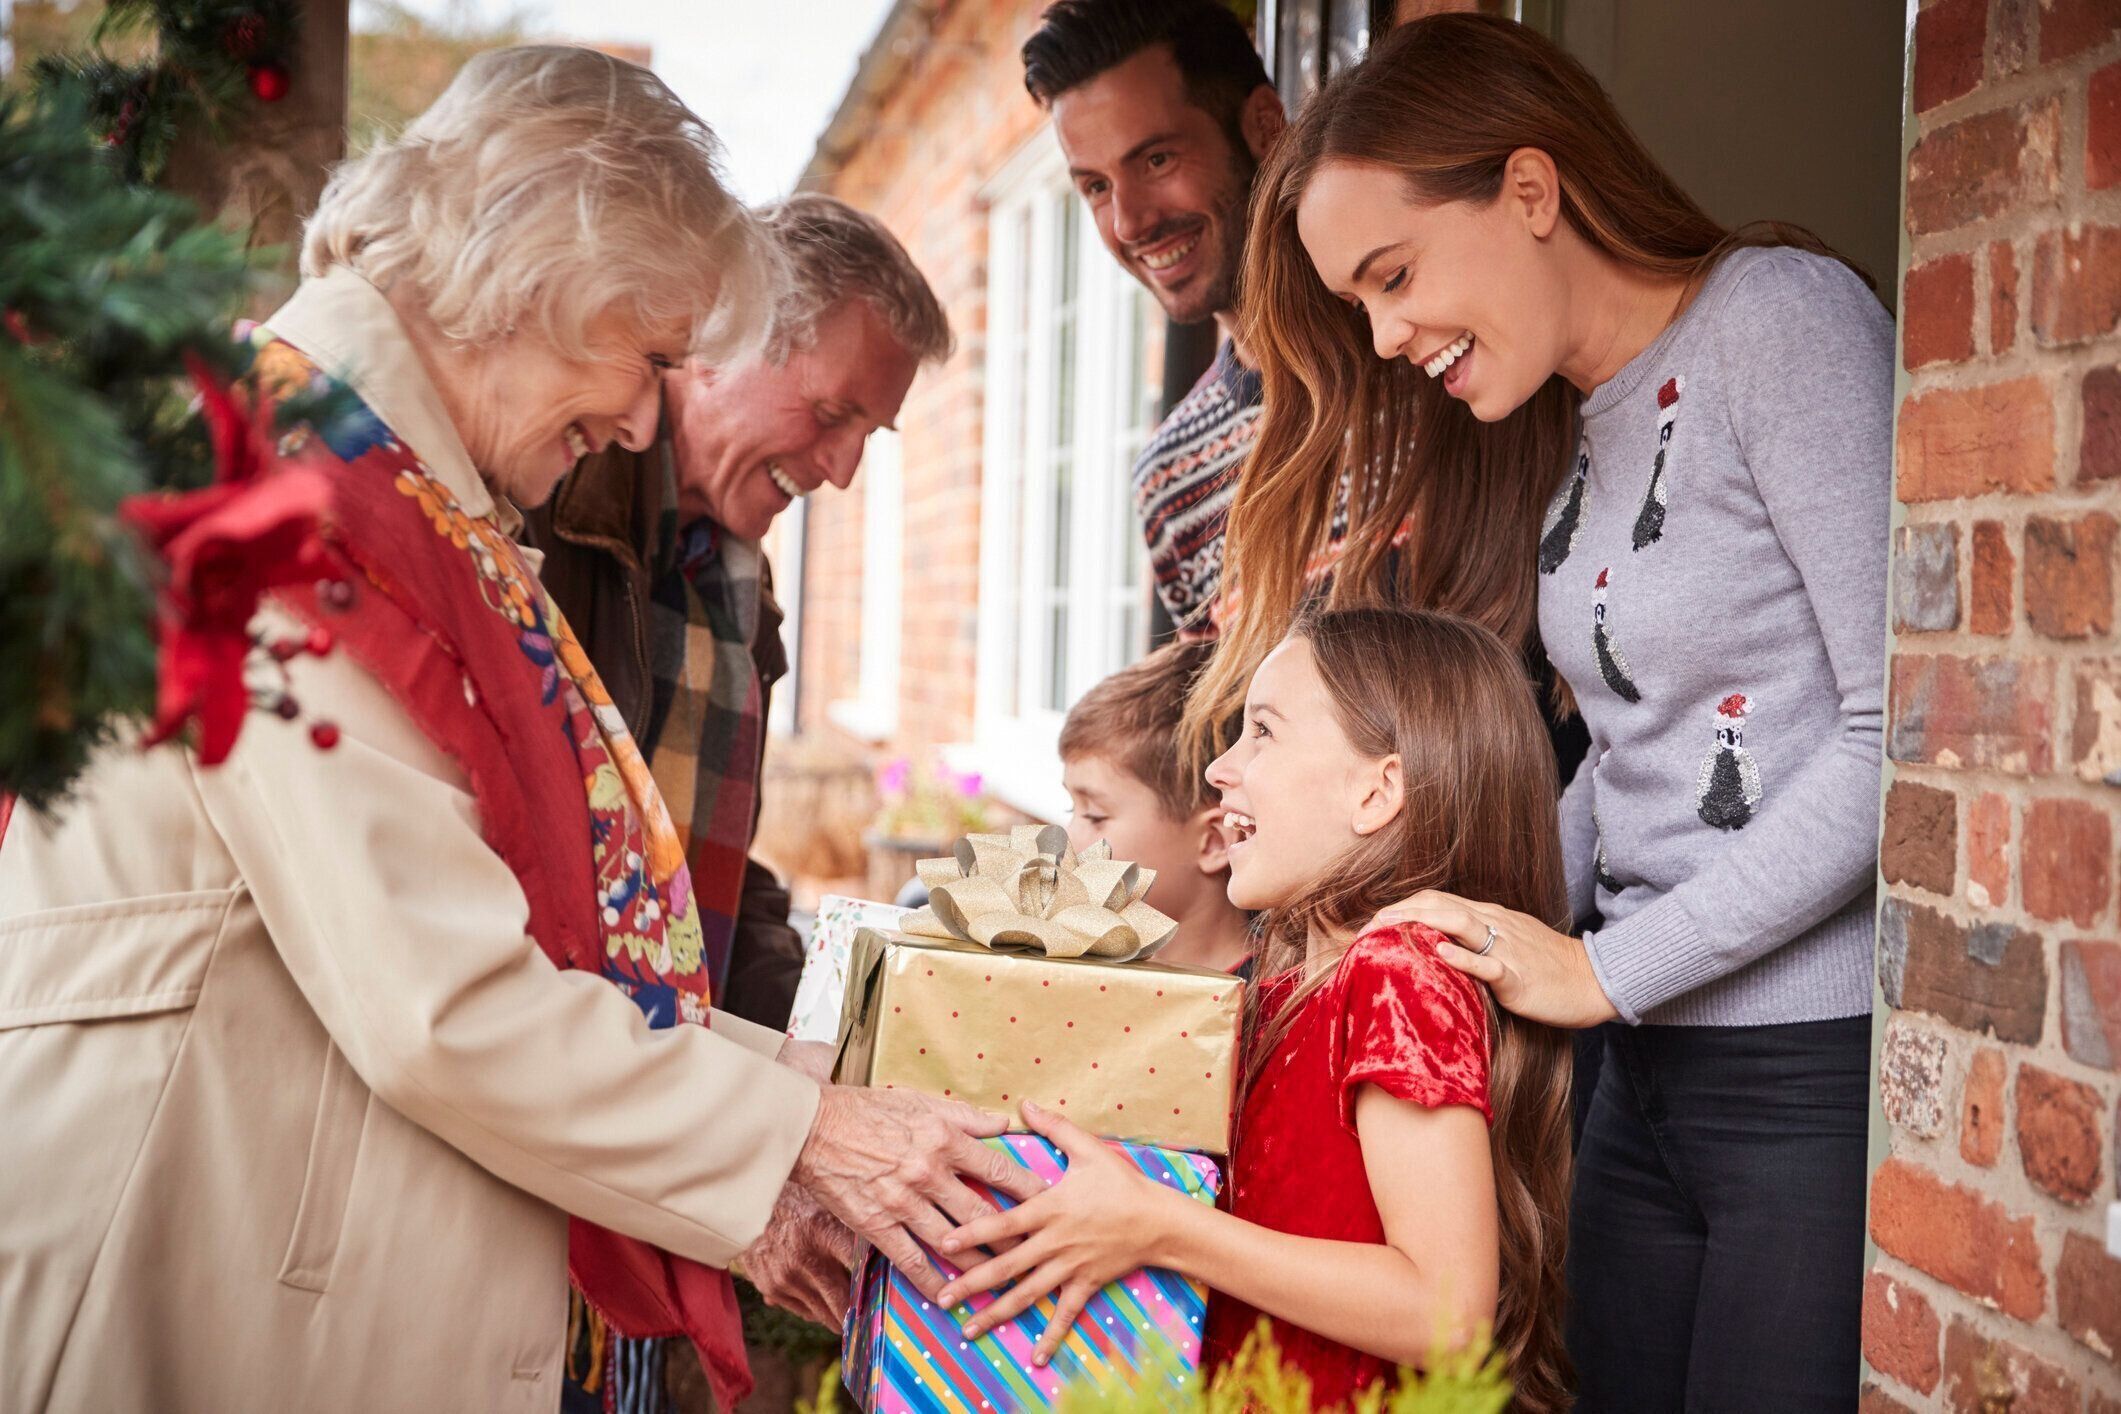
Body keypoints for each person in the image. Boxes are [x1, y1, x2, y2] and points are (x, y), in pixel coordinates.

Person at [0, 47, 1039, 1414]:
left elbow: (548, 941)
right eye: (651, 353)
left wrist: (808, 1096)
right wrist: (816, 1127)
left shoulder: (390, 488)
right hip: (191, 1256)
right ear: (535, 273)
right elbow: (445, 1001)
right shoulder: (288, 491)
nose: (638, 416)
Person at [1246, 17, 1891, 1410]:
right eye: (1358, 301)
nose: (1384, 333)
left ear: (1530, 190)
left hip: (1799, 1074)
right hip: (1638, 1068)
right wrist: (1457, 911)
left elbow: (1892, 738)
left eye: (1395, 274)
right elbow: (1636, 745)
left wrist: (1597, 969)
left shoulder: (1779, 321)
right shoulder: (1571, 422)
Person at [936, 608, 1573, 1411]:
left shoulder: (1396, 974)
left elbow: (1445, 1316)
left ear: (1377, 791)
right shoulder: (1288, 981)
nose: (1219, 771)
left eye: (1262, 733)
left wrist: (1162, 1227)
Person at [525, 193, 950, 1034]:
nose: (840, 471)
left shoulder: (736, 588)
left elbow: (708, 876)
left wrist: (842, 1037)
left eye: (870, 434)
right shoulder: (537, 514)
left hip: (658, 1074)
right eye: (832, 416)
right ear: (716, 346)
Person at [1021, 0, 1285, 638]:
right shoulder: (1172, 485)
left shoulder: (1430, 360)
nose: (1129, 222)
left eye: (1156, 160)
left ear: (1265, 128)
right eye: (1096, 187)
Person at [1057, 642, 1249, 974]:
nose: (1067, 842)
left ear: (1215, 841)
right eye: (1071, 810)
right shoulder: (1079, 965)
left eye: (1094, 816)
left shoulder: (1268, 1013)